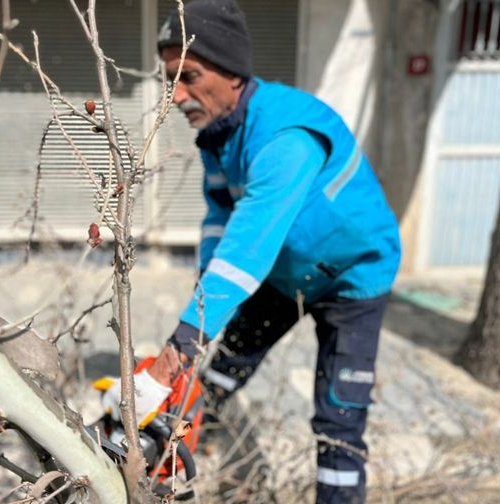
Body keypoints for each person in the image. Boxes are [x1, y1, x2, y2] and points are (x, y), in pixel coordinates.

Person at [101, 0, 401, 502]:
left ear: (232, 72)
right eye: (169, 78)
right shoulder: (220, 135)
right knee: (224, 364)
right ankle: (192, 437)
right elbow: (221, 219)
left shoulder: (287, 138)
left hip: (353, 280)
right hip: (285, 272)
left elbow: (248, 246)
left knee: (338, 421)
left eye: (189, 76)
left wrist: (166, 365)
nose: (175, 96)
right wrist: (202, 303)